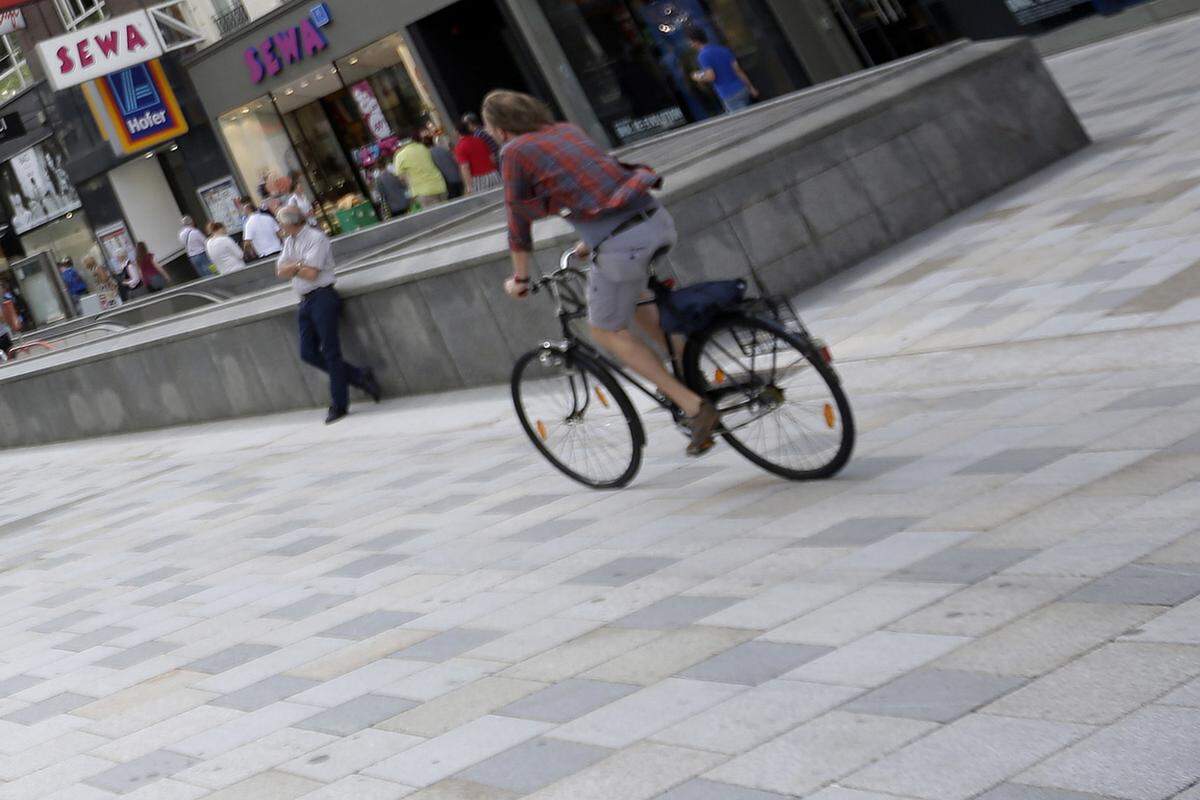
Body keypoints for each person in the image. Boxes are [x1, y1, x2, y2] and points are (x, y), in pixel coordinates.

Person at [485, 89, 719, 456]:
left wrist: (521, 280)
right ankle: (695, 378)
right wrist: (589, 241)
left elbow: (517, 220)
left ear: (498, 130)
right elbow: (594, 184)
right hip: (655, 219)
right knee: (640, 306)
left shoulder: (513, 151)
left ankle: (694, 407)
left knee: (605, 330)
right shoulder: (565, 129)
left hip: (624, 244)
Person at [275, 205, 381, 424]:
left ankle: (339, 404)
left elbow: (312, 273)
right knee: (307, 352)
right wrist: (299, 265)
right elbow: (279, 271)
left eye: (282, 224)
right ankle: (359, 376)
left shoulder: (316, 238)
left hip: (323, 297)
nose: (280, 228)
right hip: (304, 302)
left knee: (331, 352)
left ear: (292, 222)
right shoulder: (289, 242)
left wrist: (293, 267)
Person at [687, 28, 758, 113]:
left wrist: (697, 77)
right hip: (742, 88)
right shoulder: (723, 49)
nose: (690, 44)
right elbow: (738, 70)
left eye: (690, 42)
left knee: (743, 121)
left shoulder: (702, 56)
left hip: (729, 94)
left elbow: (711, 76)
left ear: (696, 41)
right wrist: (751, 87)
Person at [392, 131, 448, 210]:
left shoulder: (400, 156)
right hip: (440, 184)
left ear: (399, 142)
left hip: (423, 192)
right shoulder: (422, 147)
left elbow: (401, 177)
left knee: (437, 217)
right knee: (448, 212)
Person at [454, 120, 502, 195]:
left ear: (457, 132)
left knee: (485, 203)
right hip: (493, 175)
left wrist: (469, 186)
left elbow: (465, 167)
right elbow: (492, 158)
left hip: (478, 179)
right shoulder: (479, 140)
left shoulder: (460, 147)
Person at [425, 132, 464, 199]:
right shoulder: (442, 149)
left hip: (448, 182)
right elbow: (454, 160)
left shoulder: (428, 154)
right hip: (457, 177)